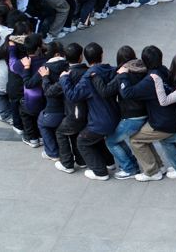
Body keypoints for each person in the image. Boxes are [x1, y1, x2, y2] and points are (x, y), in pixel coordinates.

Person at [119, 45, 176, 182]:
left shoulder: (150, 80)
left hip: (162, 123)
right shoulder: (163, 70)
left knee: (135, 140)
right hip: (170, 117)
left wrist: (123, 75)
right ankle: (158, 166)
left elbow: (128, 93)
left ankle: (152, 172)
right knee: (142, 138)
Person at [59, 42, 120, 181]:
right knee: (94, 138)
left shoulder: (88, 77)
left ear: (84, 57)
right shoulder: (111, 70)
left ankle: (100, 172)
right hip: (115, 115)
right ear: (102, 54)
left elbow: (73, 95)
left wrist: (64, 79)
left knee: (82, 141)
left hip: (100, 121)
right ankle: (109, 162)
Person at [91, 46, 148, 179]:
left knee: (111, 141)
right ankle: (132, 164)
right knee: (117, 138)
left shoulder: (123, 74)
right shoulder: (141, 68)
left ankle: (129, 169)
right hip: (144, 112)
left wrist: (96, 78)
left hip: (132, 117)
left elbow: (105, 91)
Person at [54, 43, 88, 173]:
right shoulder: (87, 71)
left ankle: (67, 163)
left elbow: (52, 91)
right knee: (73, 133)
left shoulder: (67, 75)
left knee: (61, 132)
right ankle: (81, 160)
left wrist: (45, 78)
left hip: (75, 112)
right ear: (81, 57)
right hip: (86, 112)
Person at [37, 41, 69, 160]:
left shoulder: (45, 68)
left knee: (42, 122)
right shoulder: (68, 65)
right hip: (69, 109)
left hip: (53, 110)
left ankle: (52, 152)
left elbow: (46, 90)